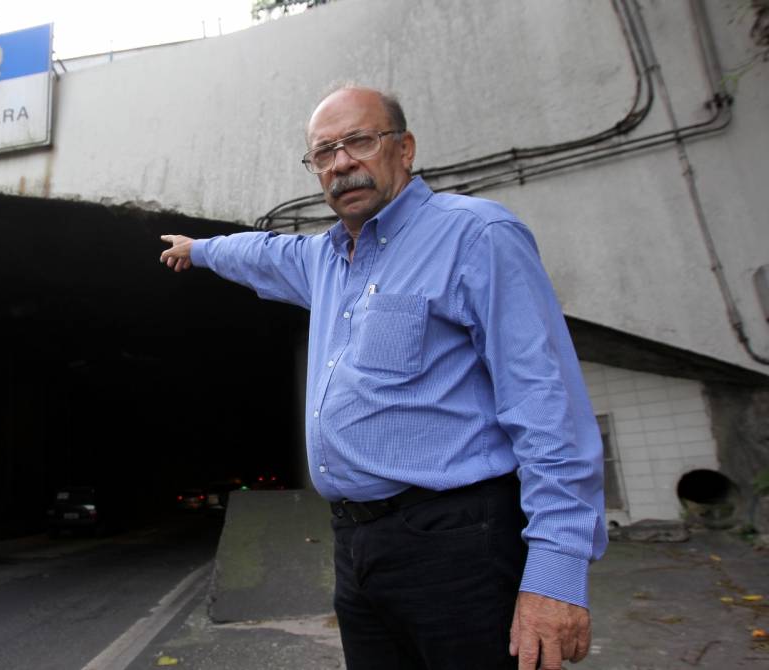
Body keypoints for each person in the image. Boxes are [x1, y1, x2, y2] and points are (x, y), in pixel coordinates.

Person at [159, 87, 606, 670]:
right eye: (324, 153)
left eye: (360, 141)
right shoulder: (321, 261)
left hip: (459, 545)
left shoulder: (476, 236)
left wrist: (557, 572)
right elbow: (261, 253)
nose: (342, 162)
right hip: (356, 550)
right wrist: (202, 250)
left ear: (405, 148)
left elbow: (548, 405)